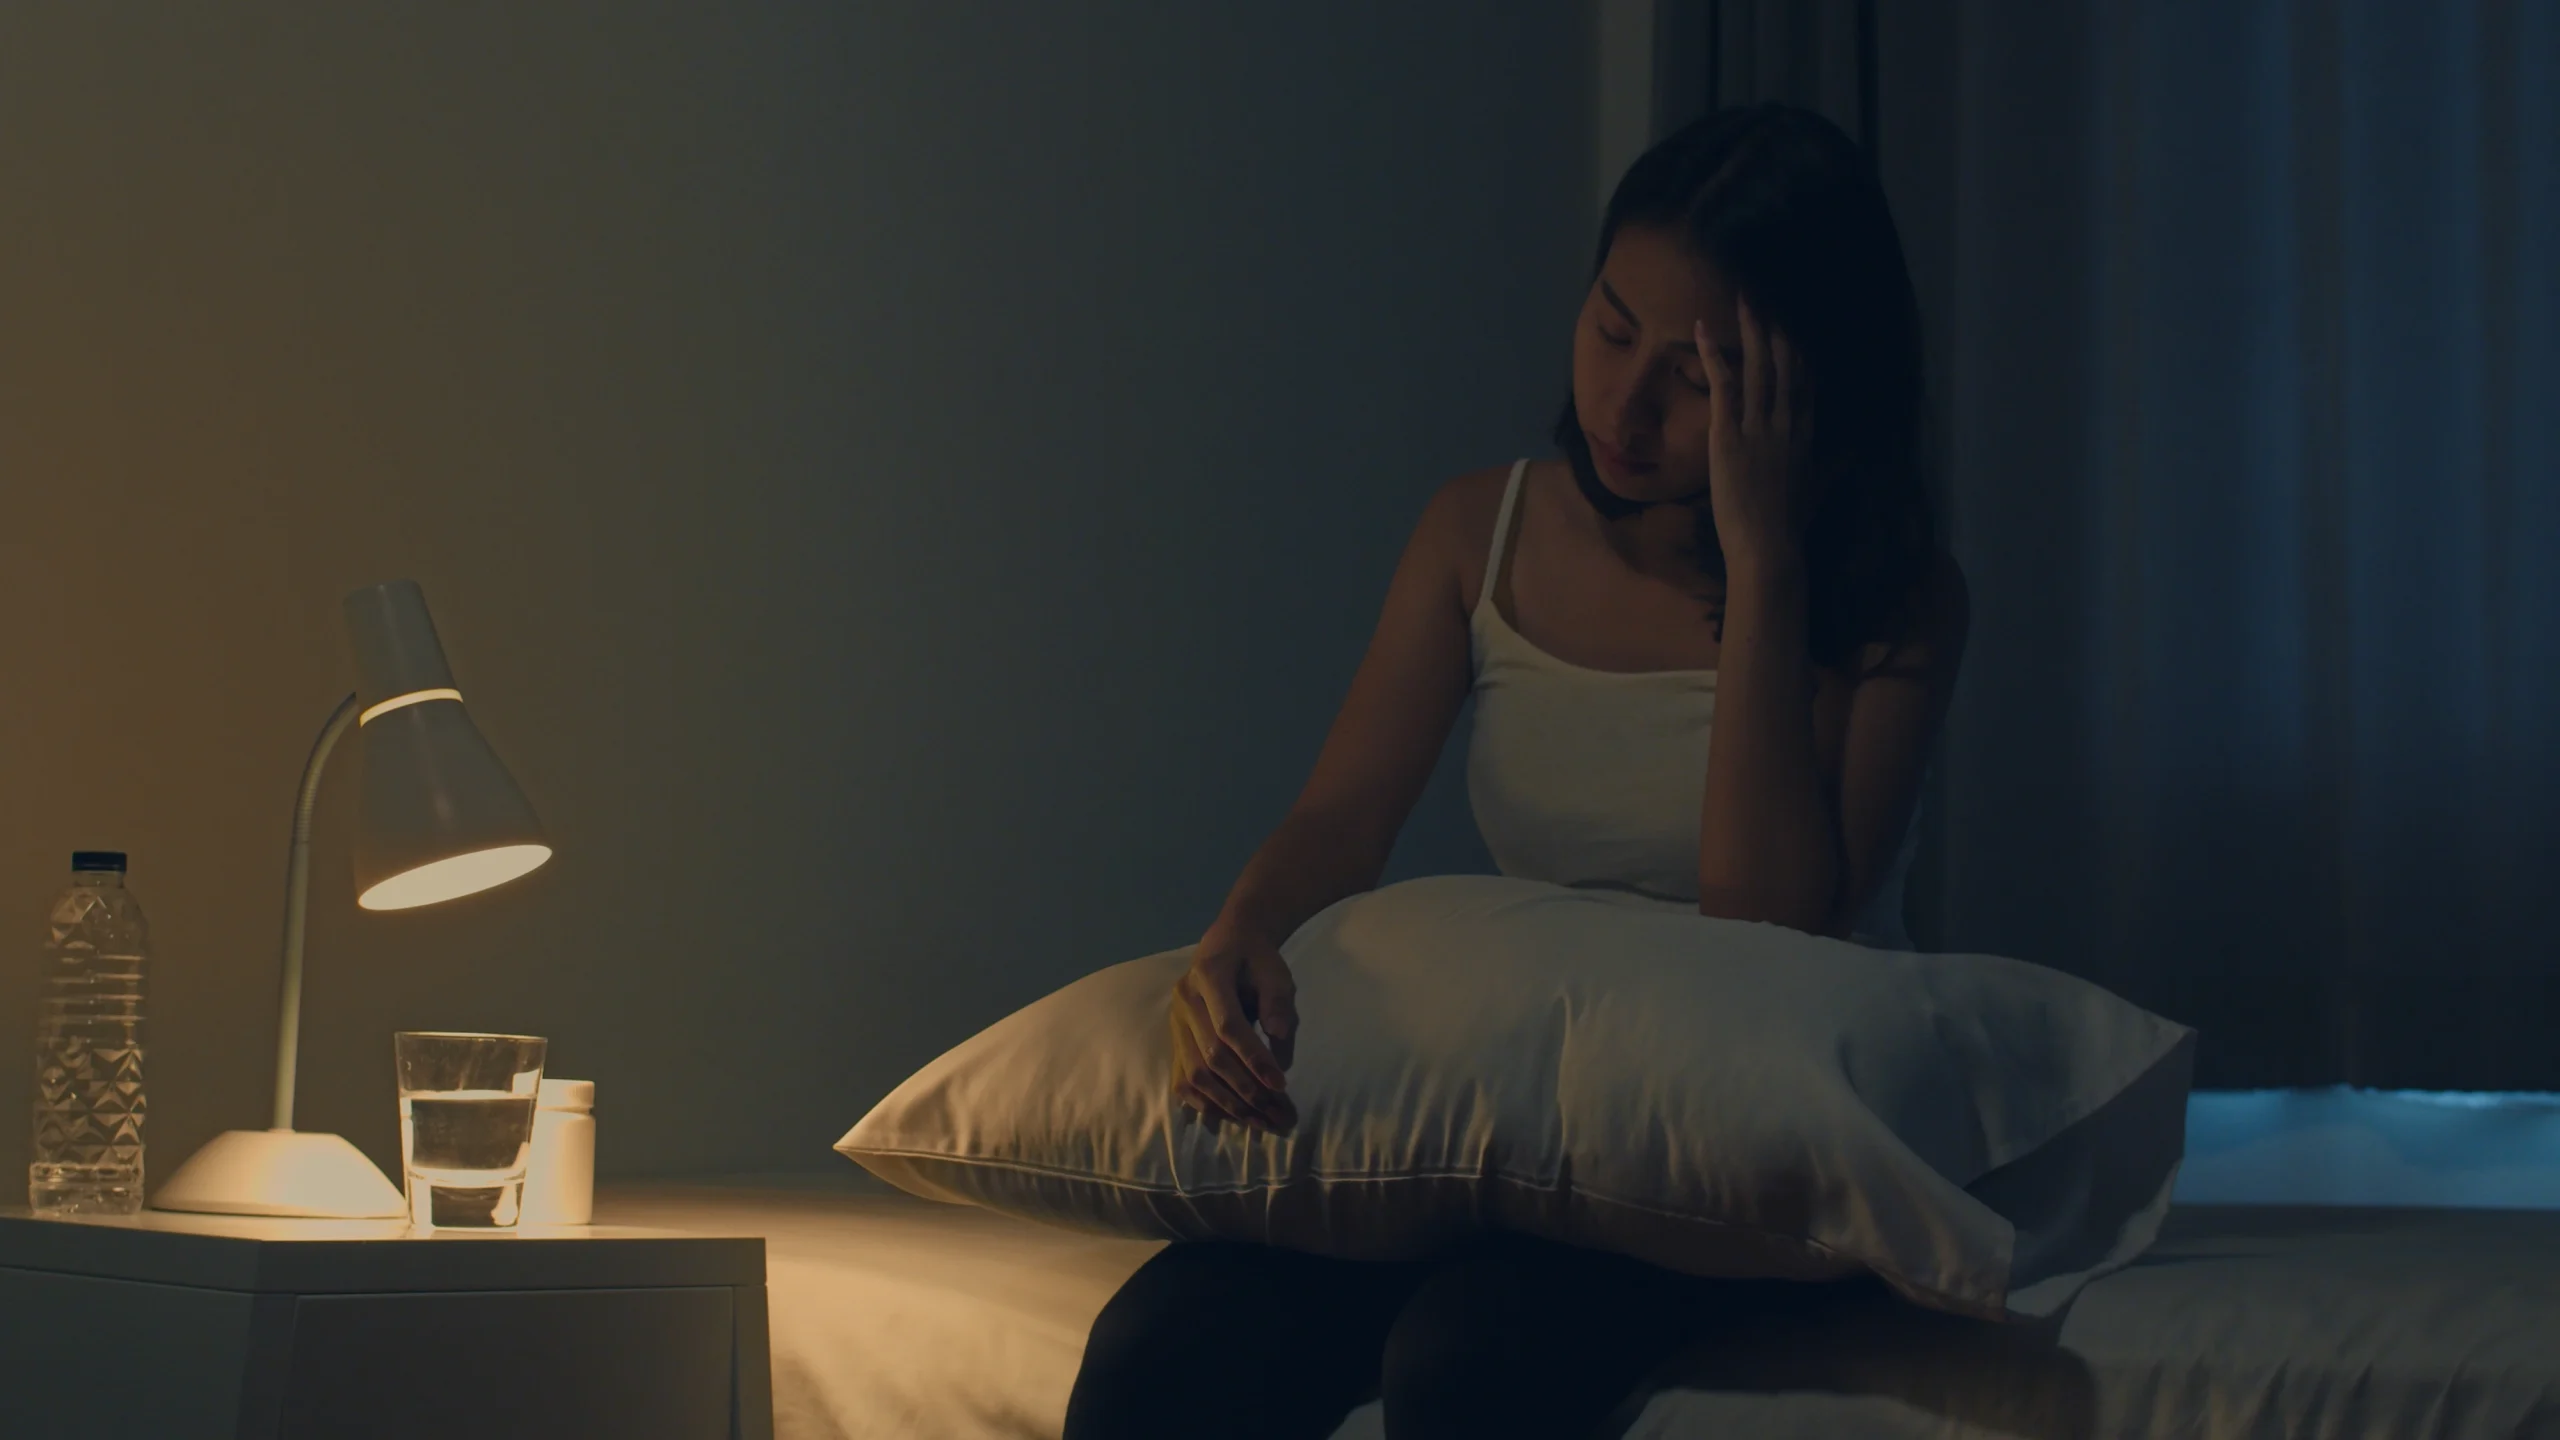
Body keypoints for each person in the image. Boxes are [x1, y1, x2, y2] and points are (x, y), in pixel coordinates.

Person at [1064, 102, 1971, 1440]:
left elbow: (1768, 930)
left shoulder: (1892, 603)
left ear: (1801, 387)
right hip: (1538, 1115)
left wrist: (1765, 559)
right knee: (1166, 1342)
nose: (1627, 403)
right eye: (1611, 328)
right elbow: (1340, 817)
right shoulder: (1476, 532)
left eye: (1697, 372)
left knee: (1469, 1356)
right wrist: (1244, 934)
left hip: (1753, 1139)